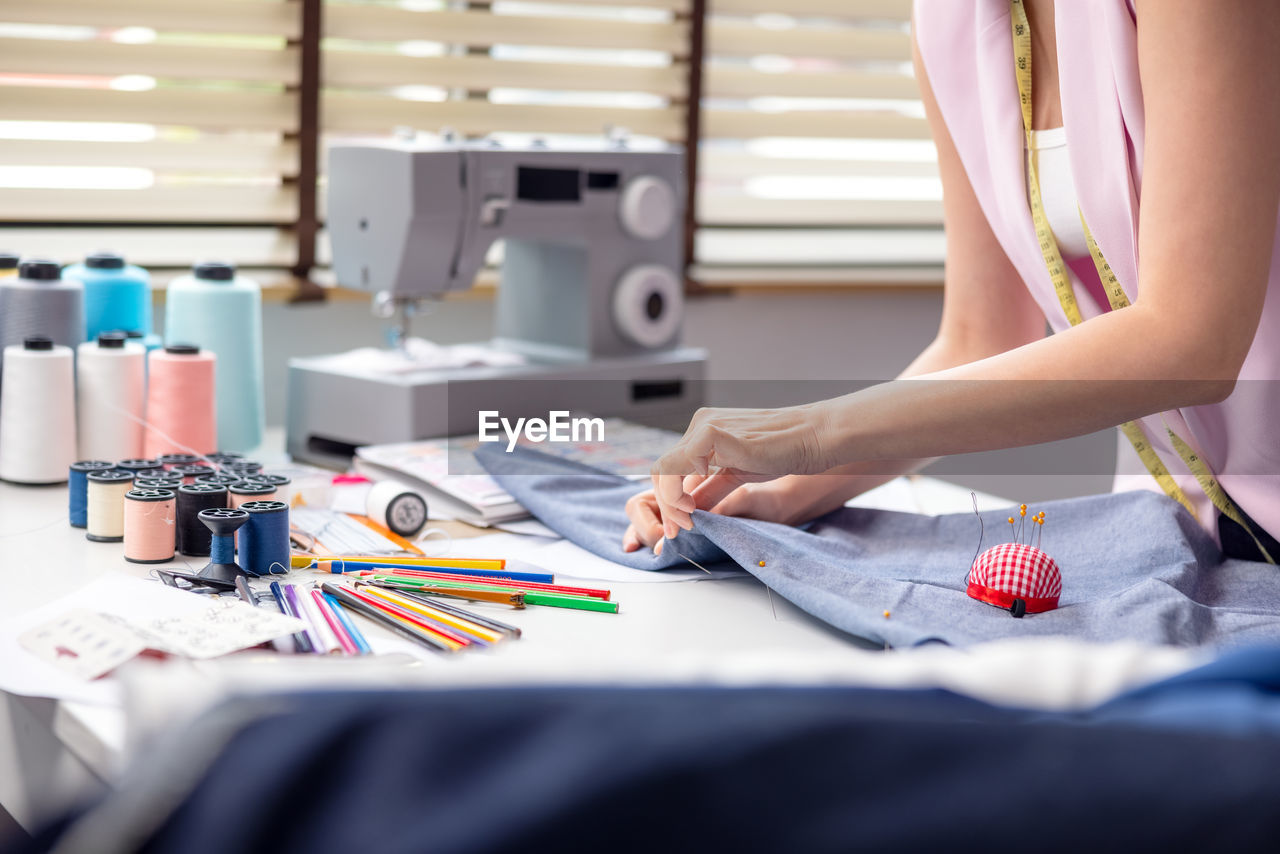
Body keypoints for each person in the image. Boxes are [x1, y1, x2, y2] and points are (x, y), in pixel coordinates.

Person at [624, 0, 1280, 562]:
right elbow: (979, 337)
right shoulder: (950, 19)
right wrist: (777, 492)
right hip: (1182, 531)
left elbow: (1193, 338)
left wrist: (813, 433)